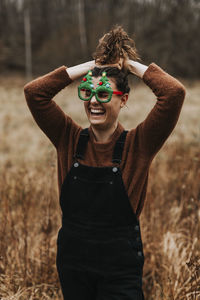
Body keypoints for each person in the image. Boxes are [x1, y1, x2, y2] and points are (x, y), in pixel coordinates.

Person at [24, 26, 186, 300]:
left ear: (123, 100)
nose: (94, 101)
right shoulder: (68, 138)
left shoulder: (140, 144)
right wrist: (94, 65)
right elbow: (34, 93)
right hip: (73, 263)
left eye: (104, 93)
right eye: (88, 92)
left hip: (120, 268)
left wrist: (127, 65)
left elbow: (174, 93)